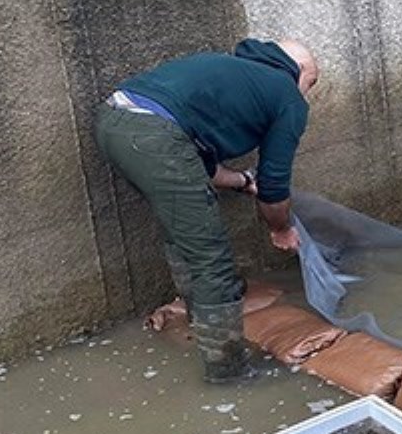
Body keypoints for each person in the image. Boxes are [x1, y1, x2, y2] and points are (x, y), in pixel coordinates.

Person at [96, 38, 318, 383]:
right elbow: (274, 185)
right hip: (154, 134)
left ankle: (201, 315)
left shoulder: (231, 73)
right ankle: (229, 373)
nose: (306, 93)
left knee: (184, 234)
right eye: (311, 83)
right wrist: (280, 228)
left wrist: (244, 182)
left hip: (114, 123)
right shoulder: (286, 94)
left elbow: (199, 167)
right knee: (212, 259)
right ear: (299, 69)